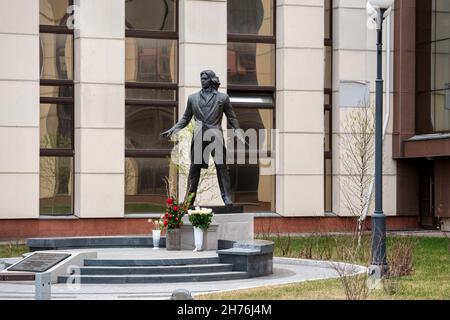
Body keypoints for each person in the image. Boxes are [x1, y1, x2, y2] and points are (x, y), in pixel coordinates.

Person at [161, 70, 245, 206]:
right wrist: (172, 130)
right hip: (199, 135)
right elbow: (185, 118)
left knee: (221, 166)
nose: (202, 81)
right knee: (194, 168)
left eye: (205, 78)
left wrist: (238, 131)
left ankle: (227, 198)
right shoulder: (193, 98)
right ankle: (189, 200)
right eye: (201, 78)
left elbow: (232, 117)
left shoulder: (223, 98)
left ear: (211, 80)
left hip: (215, 134)